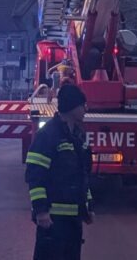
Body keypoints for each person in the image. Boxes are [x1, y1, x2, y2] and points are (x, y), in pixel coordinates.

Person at [25, 84, 93, 260]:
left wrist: (86, 207)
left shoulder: (78, 135)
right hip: (53, 221)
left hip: (73, 221)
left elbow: (82, 175)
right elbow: (35, 175)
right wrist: (41, 211)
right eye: (82, 105)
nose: (85, 109)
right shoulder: (48, 135)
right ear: (72, 107)